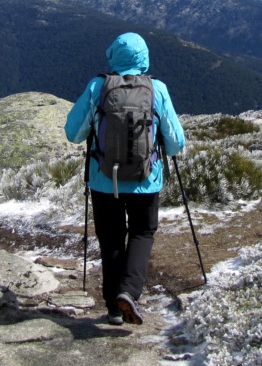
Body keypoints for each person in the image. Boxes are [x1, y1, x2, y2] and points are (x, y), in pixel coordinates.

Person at [64, 32, 185, 326]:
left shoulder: (98, 86)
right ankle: (129, 292)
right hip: (146, 179)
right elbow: (176, 142)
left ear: (114, 57)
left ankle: (113, 309)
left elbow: (73, 133)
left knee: (111, 238)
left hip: (104, 180)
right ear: (144, 58)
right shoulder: (157, 88)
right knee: (143, 232)